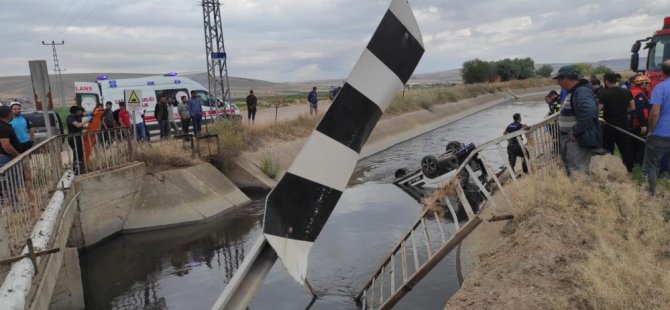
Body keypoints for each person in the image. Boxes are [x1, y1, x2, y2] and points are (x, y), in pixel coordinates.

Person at [555, 65, 601, 176]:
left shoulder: (581, 91)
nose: (558, 83)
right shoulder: (574, 91)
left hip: (577, 140)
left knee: (578, 172)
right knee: (573, 170)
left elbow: (589, 111)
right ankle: (577, 192)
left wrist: (576, 131)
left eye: (559, 79)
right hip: (571, 139)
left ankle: (582, 193)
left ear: (566, 78)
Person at [598, 72, 635, 172]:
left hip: (609, 126)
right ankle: (629, 170)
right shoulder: (626, 91)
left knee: (608, 149)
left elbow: (599, 109)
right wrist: (622, 111)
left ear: (606, 81)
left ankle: (609, 170)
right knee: (626, 148)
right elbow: (632, 107)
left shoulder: (604, 93)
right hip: (624, 125)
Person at [644, 60, 670, 195]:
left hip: (661, 133)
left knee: (652, 164)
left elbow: (654, 113)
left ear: (662, 73)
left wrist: (650, 130)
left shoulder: (660, 88)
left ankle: (651, 194)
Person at [629, 75, 652, 165]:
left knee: (633, 143)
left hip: (631, 122)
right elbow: (640, 110)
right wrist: (643, 124)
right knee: (640, 144)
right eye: (647, 84)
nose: (648, 86)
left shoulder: (631, 91)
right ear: (643, 84)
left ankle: (634, 160)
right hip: (638, 123)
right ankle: (638, 162)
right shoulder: (639, 94)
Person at [66, 106, 90, 174]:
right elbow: (78, 125)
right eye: (79, 111)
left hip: (78, 137)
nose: (80, 112)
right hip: (73, 138)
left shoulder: (78, 116)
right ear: (75, 112)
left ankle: (80, 168)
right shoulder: (70, 117)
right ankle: (76, 170)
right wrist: (87, 120)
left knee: (80, 153)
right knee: (76, 153)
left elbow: (83, 117)